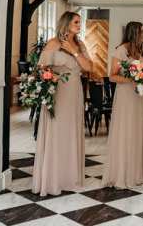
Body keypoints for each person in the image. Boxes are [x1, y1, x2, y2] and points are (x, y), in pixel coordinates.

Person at [32, 11, 92, 196]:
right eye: (76, 22)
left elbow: (89, 67)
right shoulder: (53, 43)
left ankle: (69, 177)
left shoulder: (79, 45)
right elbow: (40, 70)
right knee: (57, 131)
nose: (78, 25)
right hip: (57, 93)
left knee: (71, 131)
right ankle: (53, 178)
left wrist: (73, 51)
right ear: (66, 23)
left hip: (75, 92)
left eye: (79, 22)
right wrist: (54, 77)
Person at [102, 21, 143, 188]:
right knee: (126, 130)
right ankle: (122, 173)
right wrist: (132, 79)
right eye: (142, 32)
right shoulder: (121, 50)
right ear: (134, 33)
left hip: (138, 95)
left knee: (137, 129)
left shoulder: (142, 50)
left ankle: (137, 172)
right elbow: (112, 76)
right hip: (125, 95)